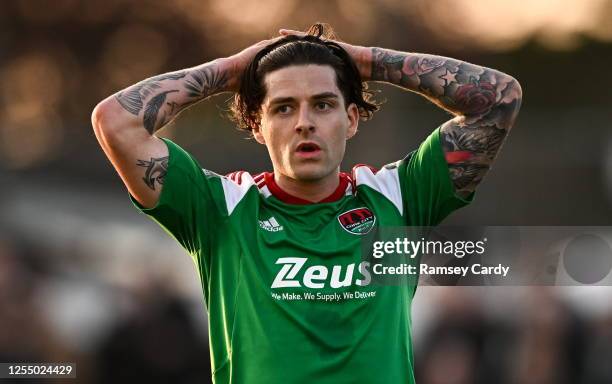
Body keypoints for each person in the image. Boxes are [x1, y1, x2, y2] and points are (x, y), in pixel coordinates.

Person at [92, 23, 522, 384]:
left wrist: (369, 62)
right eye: (282, 108)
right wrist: (231, 70)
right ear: (257, 125)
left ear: (350, 119)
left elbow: (499, 98)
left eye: (322, 104)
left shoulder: (400, 197)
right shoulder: (219, 209)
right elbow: (116, 121)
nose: (304, 123)